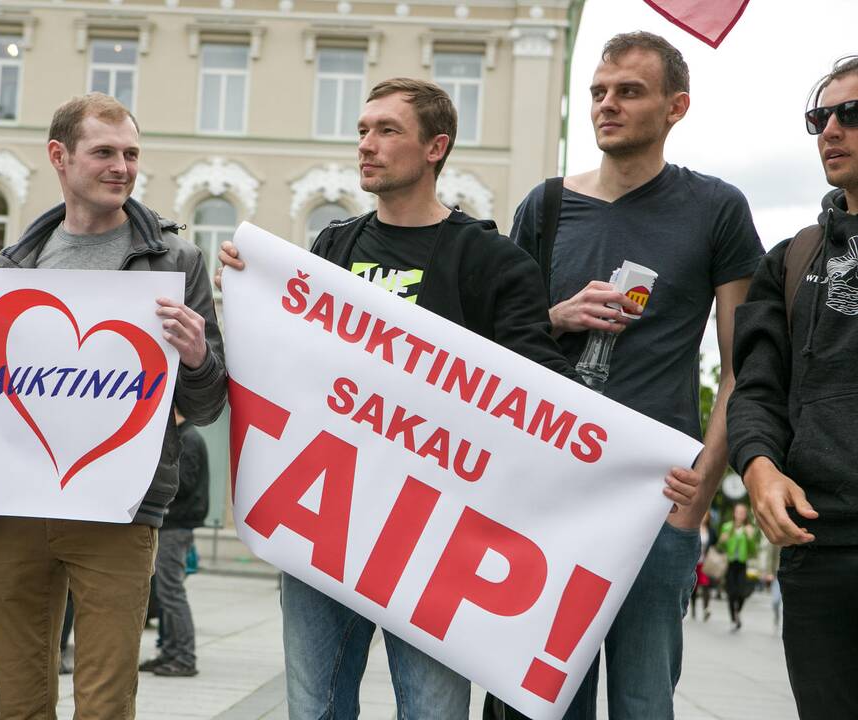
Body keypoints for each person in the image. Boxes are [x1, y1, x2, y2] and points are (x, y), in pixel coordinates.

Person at [217, 77, 700, 720]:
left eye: (387, 131)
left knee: (434, 710)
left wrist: (639, 463)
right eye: (363, 130)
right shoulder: (332, 248)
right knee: (314, 708)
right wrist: (254, 287)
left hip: (430, 543)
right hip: (327, 517)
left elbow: (540, 393)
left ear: (436, 147)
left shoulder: (491, 261)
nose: (367, 145)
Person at [497, 32, 764, 720]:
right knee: (550, 701)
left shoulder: (716, 208)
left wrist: (698, 498)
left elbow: (742, 366)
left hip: (657, 496)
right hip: (551, 493)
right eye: (597, 92)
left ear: (676, 107)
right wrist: (557, 315)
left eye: (628, 91)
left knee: (645, 704)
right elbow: (504, 349)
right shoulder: (545, 206)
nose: (606, 105)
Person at [0, 92, 227, 720]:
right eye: (104, 152)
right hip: (14, 506)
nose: (122, 166)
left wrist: (200, 358)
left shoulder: (176, 261)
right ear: (60, 158)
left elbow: (205, 406)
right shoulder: (15, 266)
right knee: (19, 698)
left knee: (104, 702)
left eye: (131, 153)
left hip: (119, 511)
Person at [727, 55, 858, 719]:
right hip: (818, 547)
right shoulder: (790, 258)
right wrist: (757, 467)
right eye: (820, 117)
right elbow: (756, 387)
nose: (830, 129)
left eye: (851, 114)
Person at [139, 409, 209, 677]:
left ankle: (184, 657)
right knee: (164, 593)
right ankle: (169, 652)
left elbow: (184, 483)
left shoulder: (188, 439)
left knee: (171, 593)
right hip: (170, 525)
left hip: (176, 527)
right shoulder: (181, 436)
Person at [717, 503, 758, 631]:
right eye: (738, 512)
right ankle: (733, 619)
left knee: (742, 592)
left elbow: (753, 551)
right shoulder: (727, 527)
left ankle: (738, 611)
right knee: (731, 592)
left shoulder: (749, 529)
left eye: (743, 512)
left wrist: (751, 538)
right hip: (730, 563)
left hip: (742, 563)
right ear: (734, 513)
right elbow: (720, 547)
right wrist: (722, 541)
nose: (740, 515)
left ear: (746, 515)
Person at [689, 511, 717, 621]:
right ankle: (693, 609)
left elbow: (715, 543)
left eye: (706, 516)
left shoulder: (711, 531)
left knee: (705, 585)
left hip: (706, 562)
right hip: (694, 562)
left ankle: (706, 609)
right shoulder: (694, 527)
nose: (704, 517)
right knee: (694, 587)